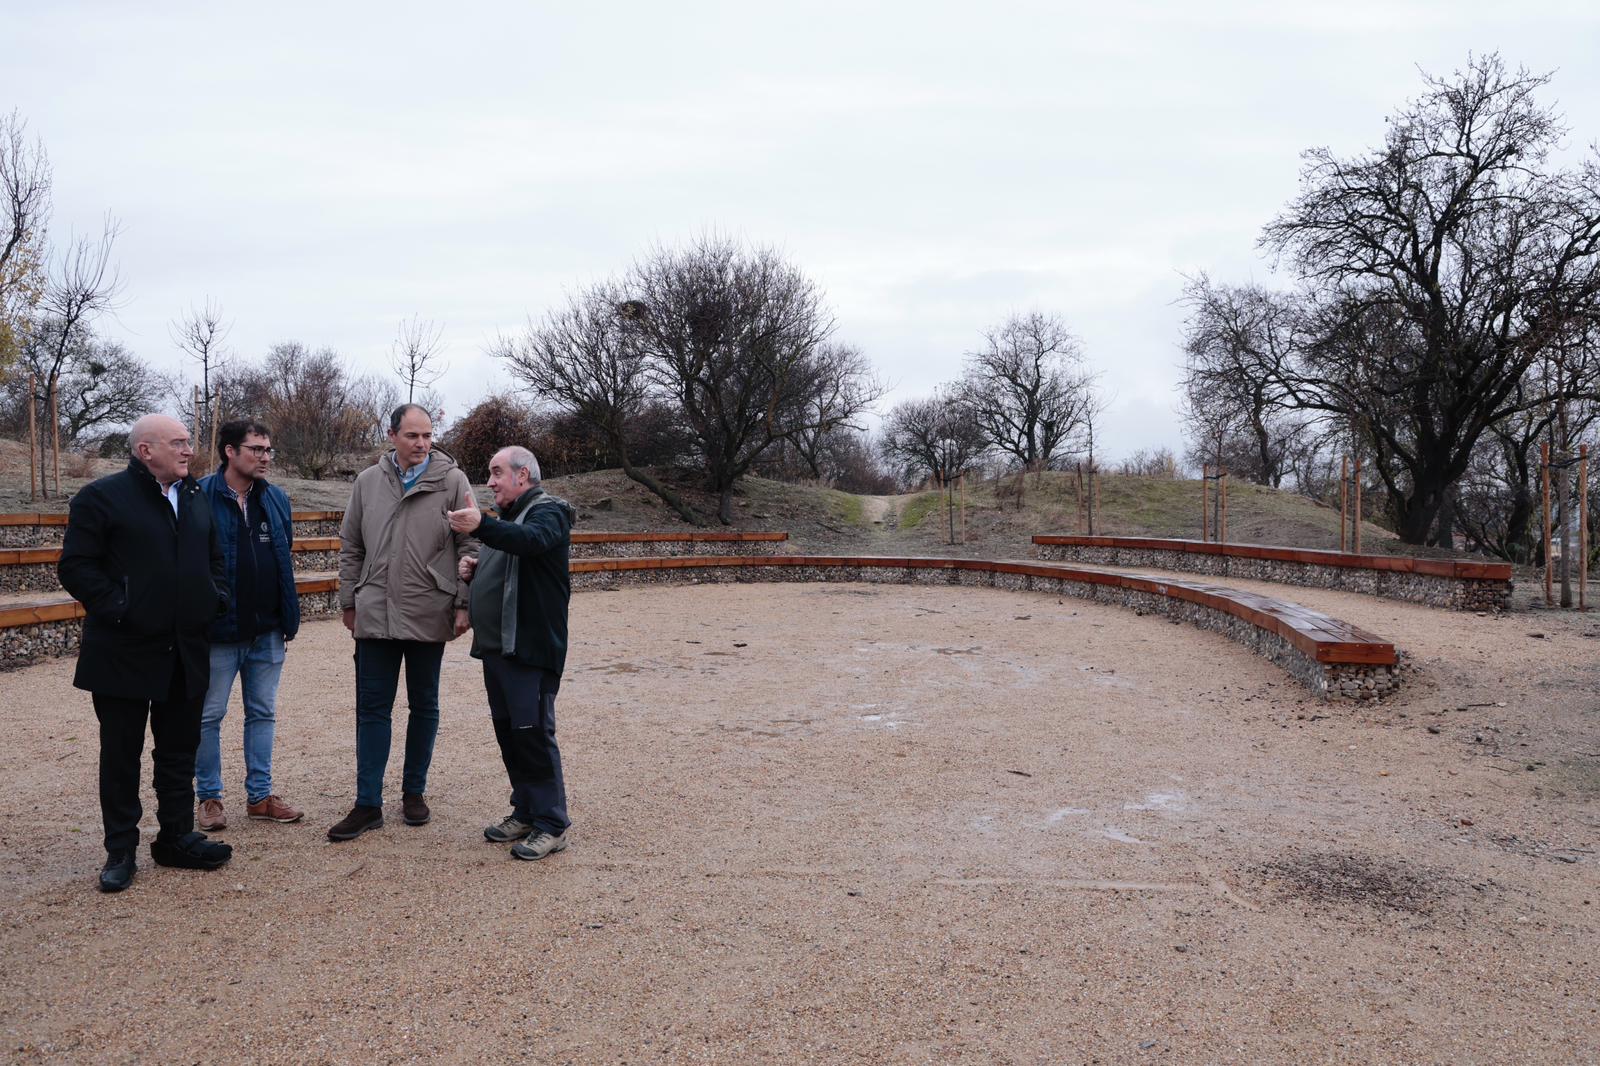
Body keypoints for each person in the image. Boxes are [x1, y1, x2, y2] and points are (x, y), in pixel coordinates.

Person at [58, 414, 234, 892]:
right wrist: (122, 607)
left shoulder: (194, 496)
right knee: (122, 755)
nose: (188, 450)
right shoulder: (101, 497)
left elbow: (214, 558)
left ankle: (176, 838)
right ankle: (121, 850)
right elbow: (76, 566)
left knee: (178, 751)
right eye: (178, 443)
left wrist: (215, 598)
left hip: (185, 649)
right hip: (124, 650)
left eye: (188, 442)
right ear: (145, 451)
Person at [328, 404, 478, 842]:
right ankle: (367, 803)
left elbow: (470, 544)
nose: (422, 444)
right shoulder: (367, 482)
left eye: (428, 435)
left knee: (424, 705)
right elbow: (351, 545)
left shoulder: (452, 481)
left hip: (429, 608)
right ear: (391, 435)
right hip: (375, 611)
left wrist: (463, 603)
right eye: (413, 435)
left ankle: (414, 793)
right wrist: (349, 600)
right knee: (372, 709)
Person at [450, 446, 575, 860]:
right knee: (510, 734)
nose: (490, 482)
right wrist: (478, 568)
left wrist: (482, 525)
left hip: (530, 650)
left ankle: (552, 824)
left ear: (522, 475)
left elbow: (531, 542)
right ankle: (525, 810)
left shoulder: (549, 511)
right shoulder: (509, 520)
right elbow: (512, 559)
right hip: (499, 651)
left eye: (496, 472)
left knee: (532, 735)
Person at [193, 420, 304, 830]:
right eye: (256, 449)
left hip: (268, 629)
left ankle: (260, 796)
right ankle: (209, 798)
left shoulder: (275, 498)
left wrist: (285, 618)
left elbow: (282, 556)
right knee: (208, 716)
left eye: (268, 449)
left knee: (262, 713)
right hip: (219, 631)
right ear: (230, 451)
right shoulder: (199, 496)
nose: (265, 457)